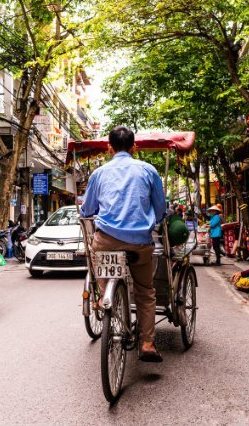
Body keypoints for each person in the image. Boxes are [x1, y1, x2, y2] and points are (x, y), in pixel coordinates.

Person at [80, 126, 166, 362]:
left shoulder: (99, 173)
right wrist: (154, 220)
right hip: (140, 243)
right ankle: (147, 343)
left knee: (96, 258)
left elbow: (87, 210)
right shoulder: (148, 170)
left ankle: (103, 294)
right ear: (134, 147)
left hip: (107, 241)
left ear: (109, 148)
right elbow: (160, 210)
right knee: (145, 292)